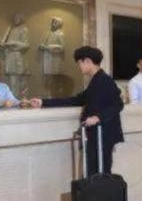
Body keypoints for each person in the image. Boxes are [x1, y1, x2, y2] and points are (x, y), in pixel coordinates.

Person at [30, 46, 123, 175]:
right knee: (93, 173)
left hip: (103, 135)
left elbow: (118, 105)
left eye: (79, 63)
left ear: (88, 61)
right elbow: (77, 100)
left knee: (101, 174)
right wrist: (43, 102)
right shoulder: (95, 81)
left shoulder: (105, 80)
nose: (79, 67)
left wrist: (98, 117)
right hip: (95, 135)